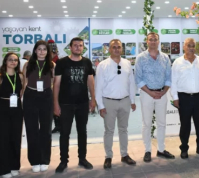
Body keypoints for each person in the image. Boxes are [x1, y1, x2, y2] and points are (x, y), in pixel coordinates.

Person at [53, 37, 96, 173]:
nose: (78, 47)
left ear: (83, 48)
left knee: (82, 132)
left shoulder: (87, 62)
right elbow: (57, 85)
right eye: (75, 45)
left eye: (80, 45)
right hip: (65, 104)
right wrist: (55, 104)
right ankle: (63, 161)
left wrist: (93, 99)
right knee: (64, 133)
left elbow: (91, 82)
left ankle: (82, 159)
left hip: (82, 103)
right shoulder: (61, 63)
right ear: (70, 47)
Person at [96, 39, 137, 169]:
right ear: (109, 49)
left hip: (125, 101)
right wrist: (101, 106)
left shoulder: (127, 64)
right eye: (114, 47)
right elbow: (98, 88)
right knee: (109, 131)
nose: (116, 49)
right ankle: (108, 156)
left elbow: (131, 83)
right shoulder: (102, 65)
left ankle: (124, 155)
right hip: (109, 102)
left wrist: (133, 100)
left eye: (118, 47)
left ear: (122, 49)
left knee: (123, 129)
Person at [135, 33, 174, 162]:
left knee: (162, 123)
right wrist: (150, 92)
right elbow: (138, 78)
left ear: (158, 41)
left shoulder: (165, 58)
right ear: (147, 42)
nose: (153, 41)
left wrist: (163, 92)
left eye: (155, 39)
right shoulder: (140, 58)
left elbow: (169, 77)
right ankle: (147, 150)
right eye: (150, 39)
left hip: (162, 94)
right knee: (146, 124)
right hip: (147, 94)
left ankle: (161, 150)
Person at [171, 38, 199, 159]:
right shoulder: (177, 62)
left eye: (193, 46)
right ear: (184, 47)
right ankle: (184, 148)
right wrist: (175, 97)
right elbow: (173, 82)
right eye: (189, 45)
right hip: (184, 98)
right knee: (185, 125)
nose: (191, 48)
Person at [22, 40, 55, 172]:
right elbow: (24, 82)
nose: (42, 51)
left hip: (46, 96)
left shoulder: (52, 65)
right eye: (39, 49)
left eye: (44, 49)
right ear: (35, 51)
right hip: (30, 96)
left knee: (46, 130)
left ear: (47, 52)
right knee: (32, 129)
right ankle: (35, 160)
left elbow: (53, 83)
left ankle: (44, 159)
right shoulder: (27, 65)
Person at [0, 53, 24, 178]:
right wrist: (0, 108)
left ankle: (15, 166)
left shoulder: (20, 76)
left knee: (16, 139)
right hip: (2, 111)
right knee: (3, 140)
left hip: (17, 110)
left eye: (15, 60)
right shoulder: (0, 77)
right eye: (10, 60)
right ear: (5, 62)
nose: (13, 62)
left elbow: (21, 91)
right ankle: (3, 170)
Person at [48, 39, 61, 134]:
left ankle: (59, 125)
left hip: (56, 87)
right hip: (48, 87)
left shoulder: (57, 62)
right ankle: (57, 125)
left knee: (56, 106)